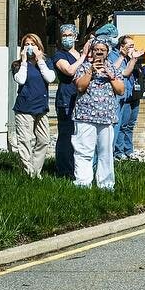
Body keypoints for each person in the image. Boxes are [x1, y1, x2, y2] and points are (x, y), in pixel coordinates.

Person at [72, 40, 125, 189]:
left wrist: (110, 75)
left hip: (106, 117)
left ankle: (106, 184)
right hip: (85, 116)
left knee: (106, 153)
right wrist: (91, 71)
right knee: (84, 151)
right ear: (92, 52)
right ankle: (82, 184)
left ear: (107, 53)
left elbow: (121, 90)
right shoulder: (83, 67)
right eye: (97, 49)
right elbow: (80, 87)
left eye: (103, 50)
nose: (100, 52)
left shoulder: (113, 69)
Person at [10, 33, 54, 178]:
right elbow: (21, 80)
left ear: (39, 47)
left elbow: (50, 78)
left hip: (41, 108)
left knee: (44, 140)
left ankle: (35, 171)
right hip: (24, 109)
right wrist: (23, 61)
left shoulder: (45, 62)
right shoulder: (17, 65)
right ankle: (29, 174)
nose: (30, 47)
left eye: (33, 44)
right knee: (25, 141)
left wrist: (40, 60)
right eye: (27, 44)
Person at [50, 24, 84, 179]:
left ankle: (77, 168)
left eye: (70, 35)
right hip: (66, 99)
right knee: (66, 134)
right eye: (64, 35)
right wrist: (84, 58)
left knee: (79, 135)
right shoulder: (59, 55)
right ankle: (64, 170)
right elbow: (69, 70)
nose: (67, 38)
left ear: (75, 37)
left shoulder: (79, 54)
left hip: (81, 99)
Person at [111, 34, 144, 160]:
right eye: (130, 46)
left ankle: (128, 150)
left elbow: (141, 77)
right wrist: (129, 59)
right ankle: (118, 152)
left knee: (129, 126)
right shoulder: (116, 58)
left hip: (133, 96)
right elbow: (123, 74)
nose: (133, 48)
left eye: (133, 46)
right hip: (123, 98)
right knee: (121, 125)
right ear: (122, 46)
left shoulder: (133, 60)